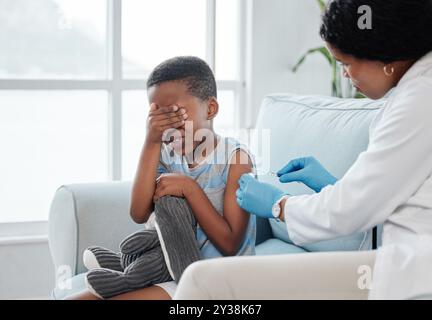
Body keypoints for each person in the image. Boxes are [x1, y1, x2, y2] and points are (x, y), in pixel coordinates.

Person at [174, 0, 432, 299]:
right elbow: (397, 195)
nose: (345, 75)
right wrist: (336, 186)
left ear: (386, 51)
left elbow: (353, 209)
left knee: (203, 281)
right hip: (401, 265)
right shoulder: (414, 93)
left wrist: (279, 205)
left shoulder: (420, 99)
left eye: (346, 63)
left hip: (414, 273)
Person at [67, 56, 256, 300]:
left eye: (176, 115)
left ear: (210, 109)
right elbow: (138, 213)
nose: (168, 127)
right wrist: (151, 140)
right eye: (159, 117)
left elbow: (231, 245)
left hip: (216, 281)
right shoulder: (165, 154)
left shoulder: (236, 160)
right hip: (169, 273)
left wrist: (190, 189)